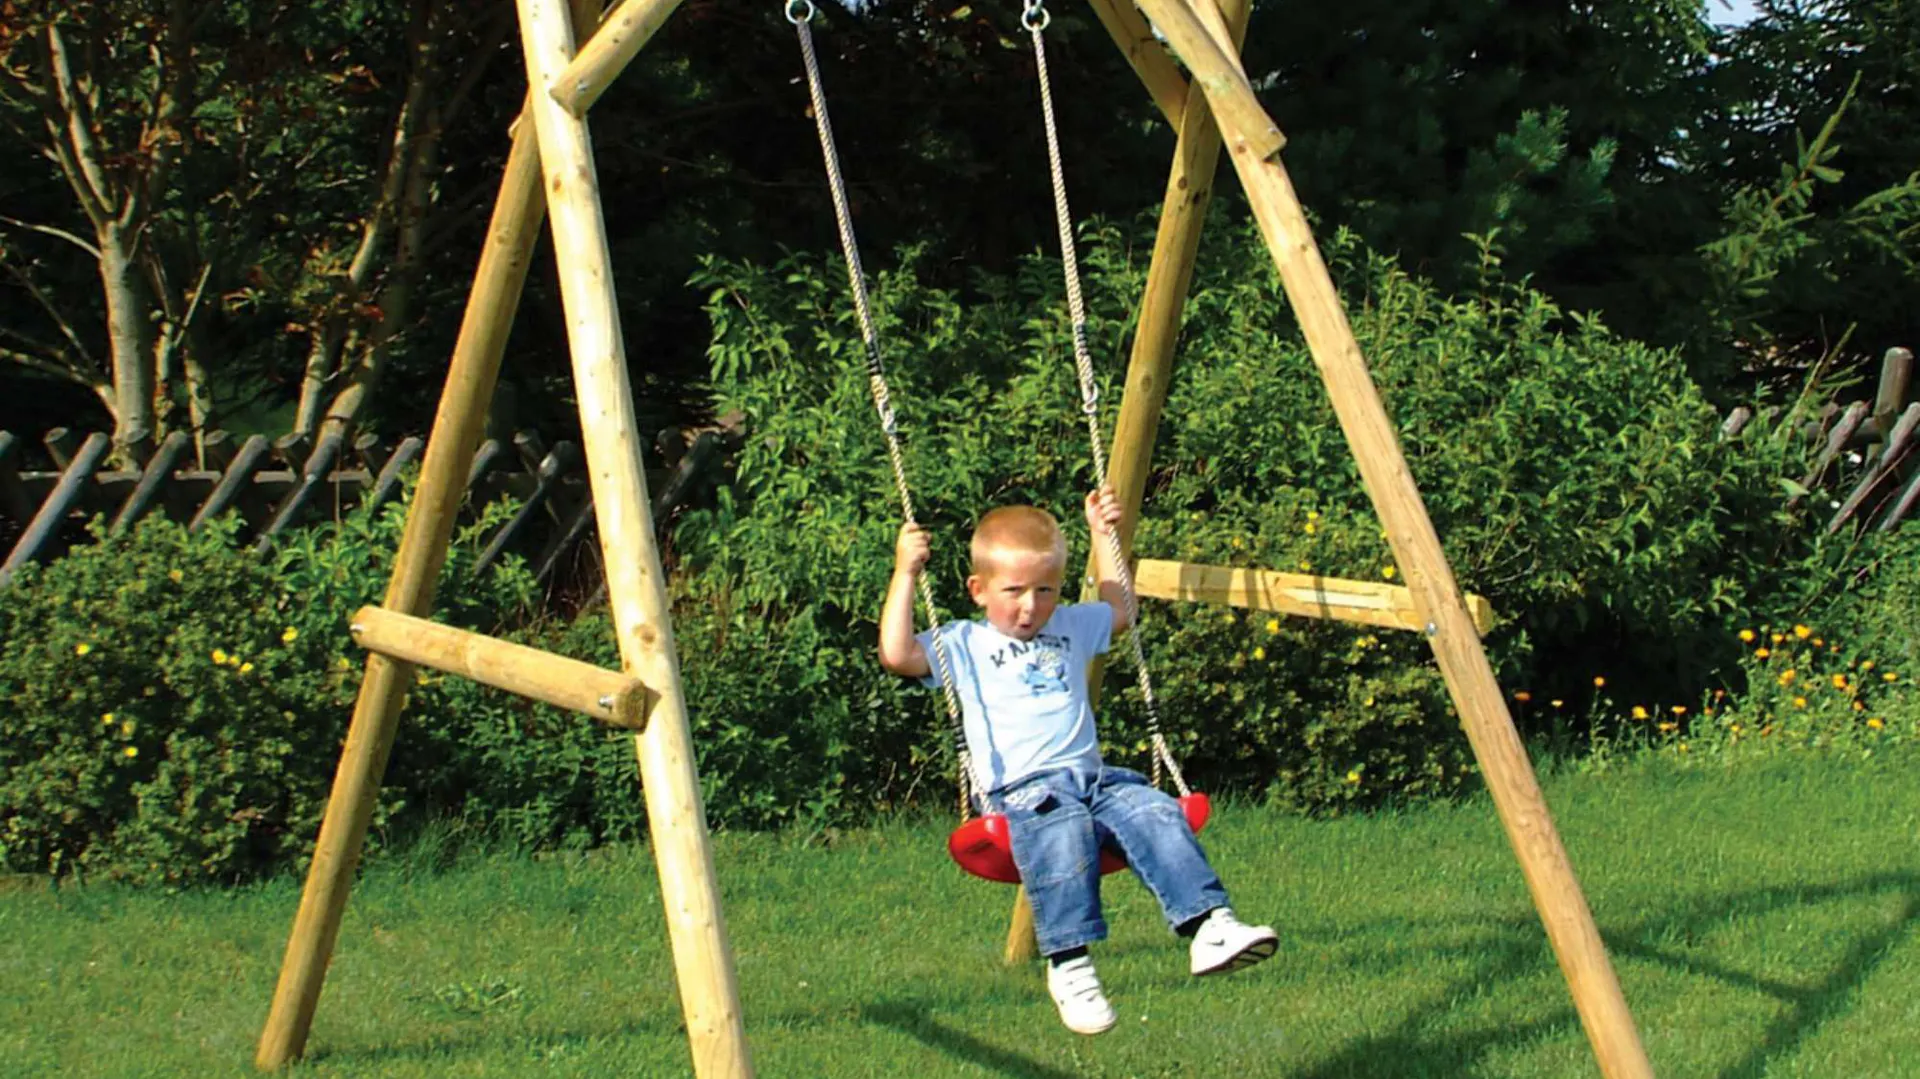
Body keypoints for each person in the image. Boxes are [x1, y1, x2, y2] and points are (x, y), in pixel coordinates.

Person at [878, 487, 1278, 1035]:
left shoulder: (1069, 625)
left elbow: (1121, 611)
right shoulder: (963, 643)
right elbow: (897, 655)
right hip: (1022, 792)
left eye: (1045, 590)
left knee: (1156, 810)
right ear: (978, 590)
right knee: (1062, 827)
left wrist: (1101, 534)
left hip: (1093, 780)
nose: (1031, 605)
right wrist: (905, 573)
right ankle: (1069, 963)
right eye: (1014, 591)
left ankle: (1210, 925)